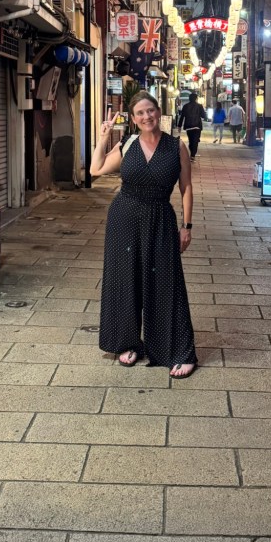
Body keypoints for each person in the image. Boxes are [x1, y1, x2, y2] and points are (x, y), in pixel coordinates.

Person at [91, 91, 197, 379]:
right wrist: (104, 137)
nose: (146, 117)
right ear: (134, 119)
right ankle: (127, 343)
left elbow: (186, 188)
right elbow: (95, 169)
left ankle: (177, 349)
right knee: (125, 280)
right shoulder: (127, 144)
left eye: (150, 111)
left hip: (161, 218)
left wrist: (187, 227)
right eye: (140, 113)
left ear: (158, 112)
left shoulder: (177, 147)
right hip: (124, 218)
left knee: (166, 282)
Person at [177, 92, 204, 161]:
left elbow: (182, 117)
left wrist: (179, 126)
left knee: (191, 140)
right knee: (195, 141)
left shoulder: (185, 106)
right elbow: (203, 116)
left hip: (188, 126)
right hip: (197, 126)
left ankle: (192, 153)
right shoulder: (200, 106)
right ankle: (193, 155)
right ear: (196, 99)